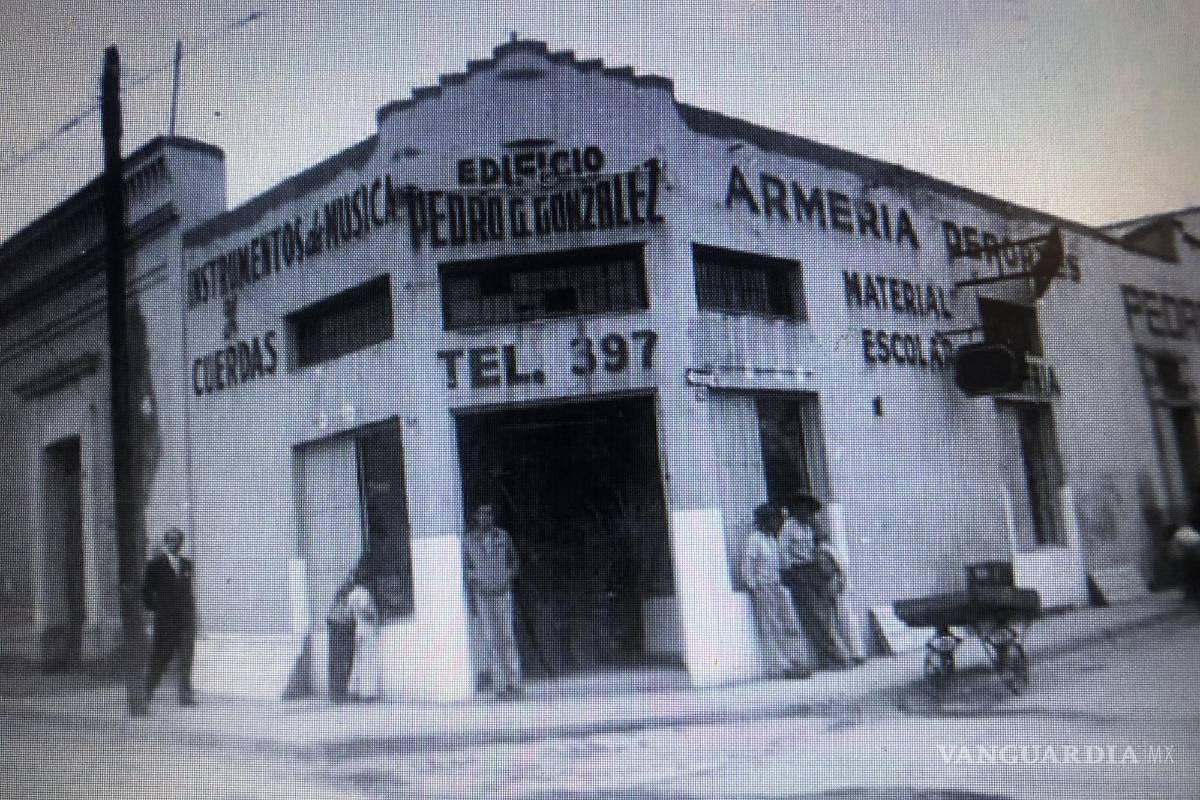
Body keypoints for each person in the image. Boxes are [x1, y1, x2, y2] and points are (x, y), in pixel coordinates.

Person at [779, 495, 853, 669]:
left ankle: (835, 656)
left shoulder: (810, 527)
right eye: (804, 509)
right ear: (797, 509)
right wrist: (789, 575)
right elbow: (783, 553)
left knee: (826, 615)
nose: (808, 513)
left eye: (810, 510)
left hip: (814, 572)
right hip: (799, 573)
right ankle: (834, 657)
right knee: (815, 617)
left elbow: (820, 546)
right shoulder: (788, 528)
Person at [740, 503, 810, 679]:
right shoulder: (755, 539)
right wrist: (754, 586)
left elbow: (780, 562)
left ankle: (796, 663)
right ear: (765, 520)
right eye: (774, 519)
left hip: (777, 585)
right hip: (764, 588)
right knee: (771, 628)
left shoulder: (772, 539)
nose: (777, 522)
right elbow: (747, 566)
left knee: (788, 624)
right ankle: (778, 668)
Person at [463, 502, 523, 699]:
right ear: (476, 517)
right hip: (483, 595)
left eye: (489, 513)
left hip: (503, 593)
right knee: (491, 640)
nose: (486, 517)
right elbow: (464, 567)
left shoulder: (503, 536)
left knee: (507, 637)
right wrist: (476, 575)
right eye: (482, 514)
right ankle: (500, 687)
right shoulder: (469, 541)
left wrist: (507, 574)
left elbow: (514, 561)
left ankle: (515, 684)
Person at [138, 527, 196, 713]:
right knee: (160, 657)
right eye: (171, 540)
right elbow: (146, 591)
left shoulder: (187, 564)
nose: (175, 544)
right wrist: (156, 609)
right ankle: (147, 691)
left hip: (185, 620)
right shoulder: (155, 565)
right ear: (165, 542)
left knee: (186, 658)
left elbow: (188, 591)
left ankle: (185, 695)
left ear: (181, 543)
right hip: (165, 620)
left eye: (178, 540)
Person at [812, 528, 866, 666]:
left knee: (845, 619)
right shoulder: (821, 550)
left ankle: (856, 653)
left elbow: (840, 568)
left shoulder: (826, 549)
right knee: (839, 621)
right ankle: (851, 653)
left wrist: (842, 583)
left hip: (836, 584)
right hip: (830, 586)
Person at [347, 574, 381, 702]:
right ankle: (367, 693)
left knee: (358, 660)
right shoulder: (364, 593)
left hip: (358, 629)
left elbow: (350, 613)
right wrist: (373, 615)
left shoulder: (352, 595)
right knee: (368, 660)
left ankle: (354, 689)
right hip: (367, 629)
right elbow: (365, 609)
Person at [326, 579, 356, 703]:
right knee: (341, 664)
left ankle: (336, 693)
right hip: (341, 635)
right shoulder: (342, 604)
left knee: (337, 664)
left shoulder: (336, 604)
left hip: (337, 634)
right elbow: (345, 620)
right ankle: (338, 693)